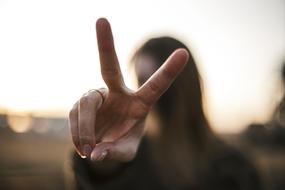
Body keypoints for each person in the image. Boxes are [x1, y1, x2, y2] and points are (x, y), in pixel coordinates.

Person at [66, 18, 263, 190]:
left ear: (188, 85)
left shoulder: (236, 170)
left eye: (159, 81)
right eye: (140, 82)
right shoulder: (130, 162)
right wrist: (103, 160)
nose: (146, 95)